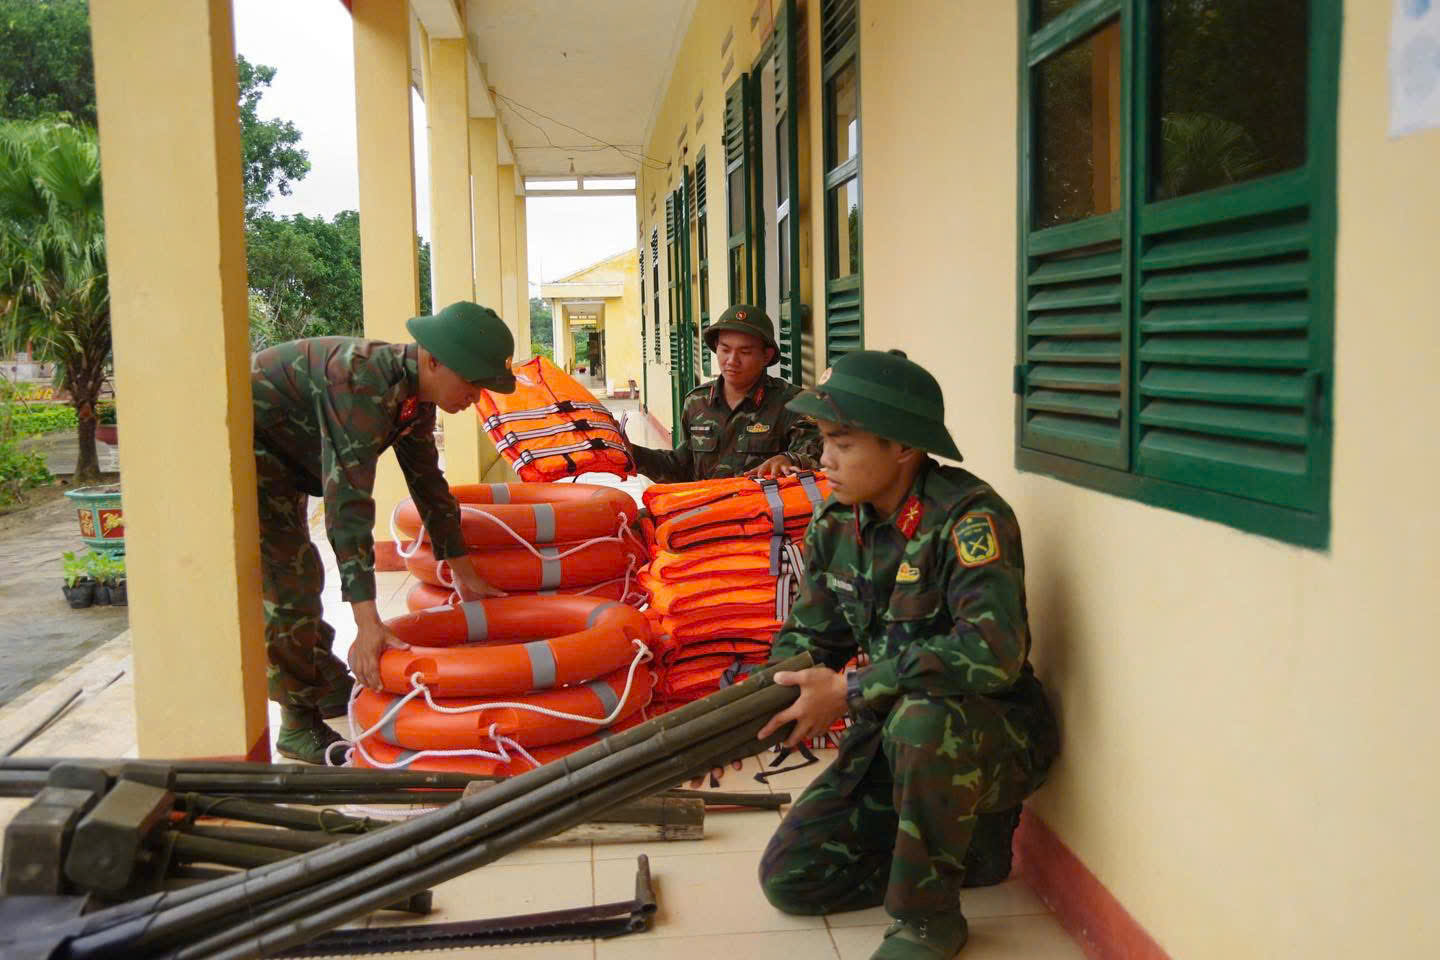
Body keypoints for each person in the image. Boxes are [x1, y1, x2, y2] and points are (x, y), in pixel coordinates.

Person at [752, 349, 1060, 959]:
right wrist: (774, 691)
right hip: (891, 736)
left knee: (922, 720)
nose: (824, 459)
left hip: (989, 738)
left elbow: (991, 652)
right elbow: (811, 636)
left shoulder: (969, 520)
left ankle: (928, 920)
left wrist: (850, 691)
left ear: (903, 448)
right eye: (822, 441)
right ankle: (966, 851)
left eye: (843, 442)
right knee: (791, 880)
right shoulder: (837, 525)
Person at [250, 301, 513, 763]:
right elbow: (348, 507)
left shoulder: (415, 398)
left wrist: (463, 570)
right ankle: (294, 720)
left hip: (292, 455)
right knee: (290, 582)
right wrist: (367, 623)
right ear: (433, 360)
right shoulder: (361, 383)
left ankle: (321, 673)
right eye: (472, 383)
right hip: (254, 448)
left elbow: (429, 484)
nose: (475, 397)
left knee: (302, 574)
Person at [628, 305, 822, 481]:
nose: (732, 360)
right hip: (708, 514)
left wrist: (787, 459)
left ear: (766, 356)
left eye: (744, 352)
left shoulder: (793, 403)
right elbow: (682, 467)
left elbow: (816, 455)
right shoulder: (697, 402)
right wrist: (631, 453)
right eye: (725, 349)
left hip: (764, 516)